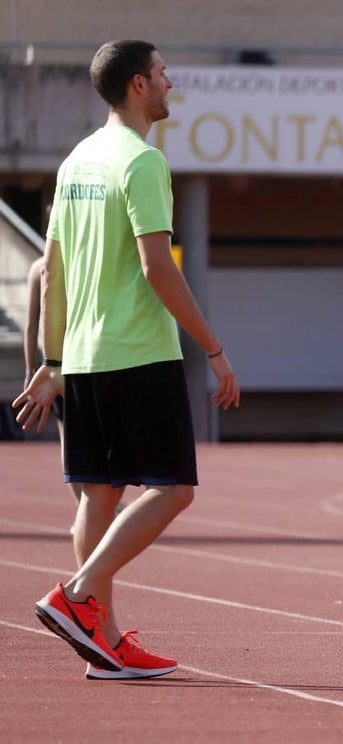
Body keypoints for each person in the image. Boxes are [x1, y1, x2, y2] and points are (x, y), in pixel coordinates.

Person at [13, 39, 240, 679]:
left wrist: (55, 361)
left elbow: (51, 274)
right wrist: (214, 348)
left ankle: (101, 643)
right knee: (175, 490)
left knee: (100, 495)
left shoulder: (76, 160)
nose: (171, 82)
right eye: (164, 73)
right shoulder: (142, 162)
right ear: (139, 85)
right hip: (137, 353)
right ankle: (78, 595)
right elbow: (156, 267)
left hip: (82, 358)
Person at [23, 254, 87, 529]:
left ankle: (86, 509)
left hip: (59, 363)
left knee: (69, 441)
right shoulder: (80, 261)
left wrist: (31, 368)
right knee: (88, 436)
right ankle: (96, 507)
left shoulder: (39, 266)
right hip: (82, 358)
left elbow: (31, 326)